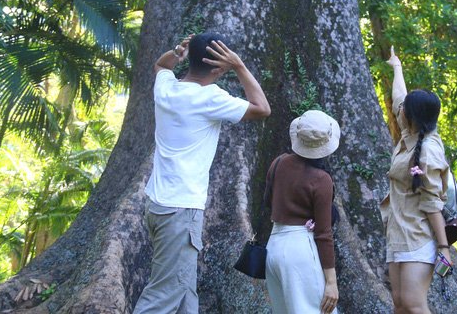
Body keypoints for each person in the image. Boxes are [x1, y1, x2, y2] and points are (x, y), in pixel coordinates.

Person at [133, 33, 271, 314]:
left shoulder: (167, 88)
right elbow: (262, 109)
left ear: (191, 59)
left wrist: (176, 52)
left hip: (159, 205)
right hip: (181, 210)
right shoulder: (209, 97)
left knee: (184, 289)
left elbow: (161, 67)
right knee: (163, 295)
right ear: (220, 68)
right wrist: (241, 66)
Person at [380, 46, 451, 314]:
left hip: (419, 237)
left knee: (413, 303)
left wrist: (443, 247)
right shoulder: (411, 135)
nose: (398, 109)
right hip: (398, 232)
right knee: (399, 304)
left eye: (403, 110)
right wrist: (397, 66)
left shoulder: (429, 150)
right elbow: (399, 95)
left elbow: (432, 203)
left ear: (409, 117)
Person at [264, 109, 340, 314]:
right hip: (300, 251)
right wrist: (331, 282)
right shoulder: (321, 179)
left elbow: (267, 202)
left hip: (274, 247)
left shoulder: (278, 163)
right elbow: (324, 234)